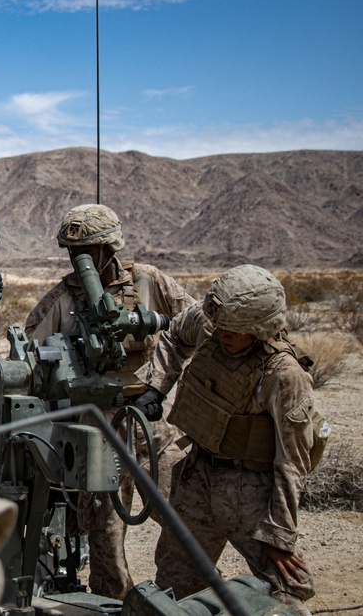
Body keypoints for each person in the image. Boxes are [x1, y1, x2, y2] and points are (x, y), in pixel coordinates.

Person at [24, 203, 195, 599]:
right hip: (96, 426)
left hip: (149, 420)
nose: (76, 258)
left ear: (110, 248)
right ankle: (111, 597)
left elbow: (193, 325)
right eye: (70, 250)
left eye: (86, 250)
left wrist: (159, 384)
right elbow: (31, 351)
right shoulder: (63, 299)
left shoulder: (150, 282)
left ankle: (180, 596)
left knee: (182, 512)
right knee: (104, 526)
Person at [137, 264, 317, 616]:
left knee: (285, 589)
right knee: (176, 583)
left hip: (249, 490)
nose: (220, 334)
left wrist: (279, 536)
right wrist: (156, 388)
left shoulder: (284, 375)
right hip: (196, 476)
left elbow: (293, 462)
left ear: (260, 329)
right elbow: (175, 336)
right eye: (218, 325)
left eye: (232, 330)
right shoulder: (211, 325)